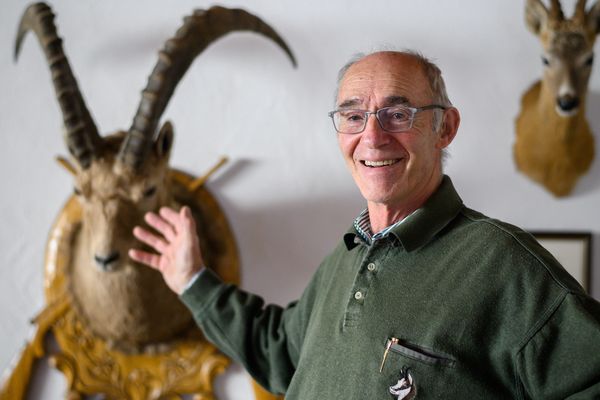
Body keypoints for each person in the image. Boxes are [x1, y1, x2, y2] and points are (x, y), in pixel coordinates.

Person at [129, 50, 600, 399]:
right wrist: (191, 280)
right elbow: (280, 355)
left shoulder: (504, 264)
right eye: (353, 116)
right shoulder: (346, 256)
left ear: (446, 128)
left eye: (398, 114)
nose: (372, 137)